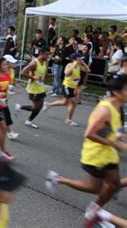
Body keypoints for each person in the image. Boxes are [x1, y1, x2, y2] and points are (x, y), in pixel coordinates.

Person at [45, 75, 127, 207]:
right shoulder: (105, 110)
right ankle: (58, 179)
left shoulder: (119, 106)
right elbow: (89, 133)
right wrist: (116, 144)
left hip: (108, 152)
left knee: (114, 184)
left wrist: (122, 137)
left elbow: (116, 128)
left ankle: (94, 212)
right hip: (95, 154)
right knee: (94, 188)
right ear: (117, 92)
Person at [43, 53, 90, 126]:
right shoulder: (69, 65)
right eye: (80, 59)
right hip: (67, 86)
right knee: (73, 103)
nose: (81, 60)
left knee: (64, 102)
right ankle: (69, 120)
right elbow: (67, 73)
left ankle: (48, 104)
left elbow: (88, 70)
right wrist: (74, 64)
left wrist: (83, 63)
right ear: (75, 59)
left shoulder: (79, 66)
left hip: (73, 87)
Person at [15, 47, 50, 129]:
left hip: (40, 87)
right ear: (41, 53)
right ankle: (20, 107)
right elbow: (23, 72)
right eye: (46, 54)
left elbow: (43, 74)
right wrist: (33, 77)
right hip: (33, 88)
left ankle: (29, 121)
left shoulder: (44, 62)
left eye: (48, 54)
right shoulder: (34, 63)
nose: (48, 56)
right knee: (36, 107)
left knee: (40, 107)